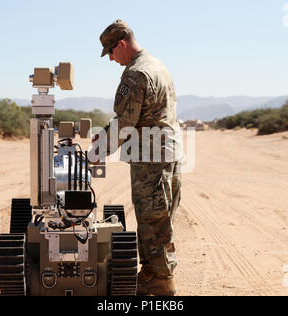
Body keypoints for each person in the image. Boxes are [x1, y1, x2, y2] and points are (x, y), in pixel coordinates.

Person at [94, 19, 183, 296]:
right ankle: (151, 273)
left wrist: (97, 151)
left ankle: (161, 281)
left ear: (121, 44)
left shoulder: (135, 74)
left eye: (110, 52)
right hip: (167, 154)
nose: (111, 59)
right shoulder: (157, 65)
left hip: (151, 159)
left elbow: (124, 123)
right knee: (157, 217)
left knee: (152, 219)